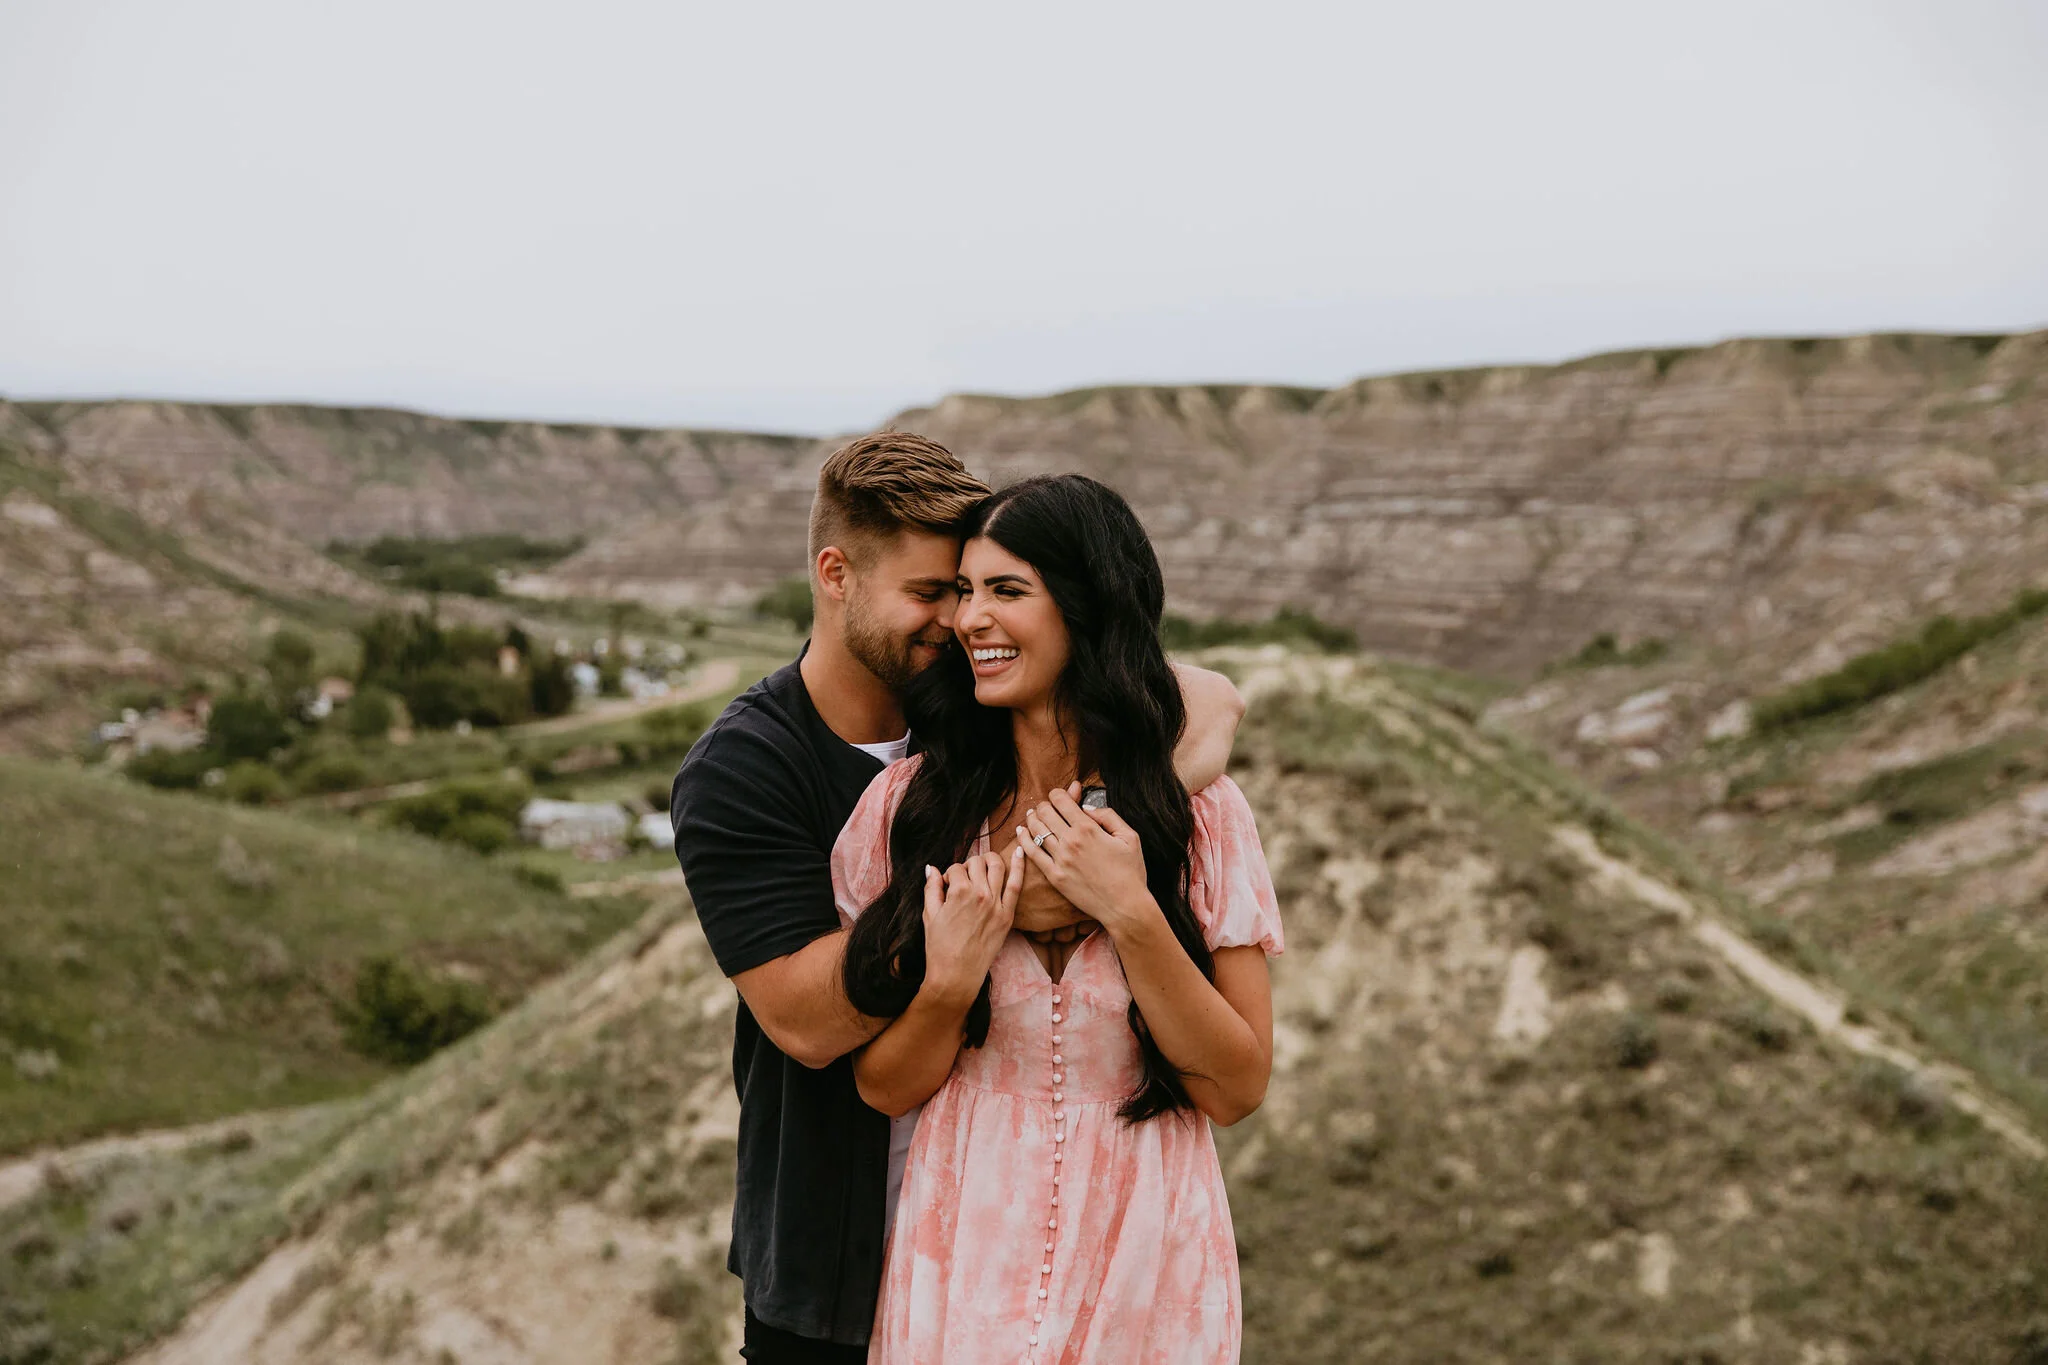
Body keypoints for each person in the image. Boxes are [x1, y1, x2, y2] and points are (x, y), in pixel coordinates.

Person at [669, 433, 1246, 1363]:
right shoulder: (744, 767)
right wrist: (1013, 893)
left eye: (980, 590)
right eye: (932, 592)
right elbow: (810, 1019)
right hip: (841, 1266)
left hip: (1039, 1252)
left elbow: (1203, 695)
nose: (959, 620)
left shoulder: (982, 712)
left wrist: (1140, 799)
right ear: (835, 574)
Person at [834, 474, 1282, 1364]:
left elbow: (1236, 1088)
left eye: (1007, 590)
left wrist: (1132, 912)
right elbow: (883, 1087)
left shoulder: (1203, 815)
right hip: (961, 1252)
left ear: (1087, 607)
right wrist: (949, 980)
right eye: (964, 590)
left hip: (1148, 1264)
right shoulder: (906, 812)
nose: (969, 619)